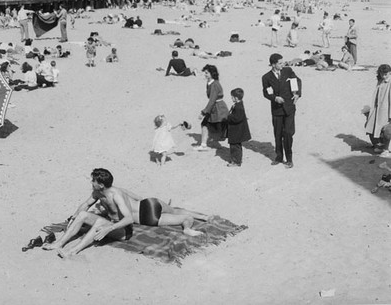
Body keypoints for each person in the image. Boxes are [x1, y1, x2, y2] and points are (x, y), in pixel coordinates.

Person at [33, 168, 208, 257]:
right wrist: (74, 217)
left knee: (102, 223)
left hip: (127, 228)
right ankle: (59, 244)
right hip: (147, 205)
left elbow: (129, 218)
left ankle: (74, 251)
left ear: (101, 184)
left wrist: (109, 229)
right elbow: (84, 205)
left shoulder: (115, 195)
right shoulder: (98, 193)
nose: (91, 182)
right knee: (83, 215)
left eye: (93, 181)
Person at [262, 53, 302, 168]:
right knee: (278, 134)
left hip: (289, 108)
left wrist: (297, 94)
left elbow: (297, 81)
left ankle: (289, 159)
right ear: (273, 65)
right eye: (280, 63)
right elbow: (266, 92)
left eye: (282, 62)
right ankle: (279, 156)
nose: (282, 64)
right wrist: (274, 98)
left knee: (288, 133)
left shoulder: (288, 70)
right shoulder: (266, 77)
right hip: (277, 110)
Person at [194, 64, 229, 151]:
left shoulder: (214, 85)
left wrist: (203, 112)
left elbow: (212, 100)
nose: (205, 75)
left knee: (219, 126)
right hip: (216, 107)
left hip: (218, 108)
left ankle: (204, 145)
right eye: (205, 73)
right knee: (206, 124)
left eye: (207, 73)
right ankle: (204, 144)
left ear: (212, 73)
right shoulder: (211, 83)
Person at [365, 64, 391, 156]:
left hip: (386, 110)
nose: (384, 76)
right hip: (377, 108)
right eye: (382, 74)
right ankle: (379, 146)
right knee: (371, 126)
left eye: (386, 74)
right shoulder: (380, 81)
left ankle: (386, 149)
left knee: (386, 130)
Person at [226, 88, 251, 167]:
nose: (231, 98)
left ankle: (236, 161)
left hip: (236, 130)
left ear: (236, 98)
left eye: (232, 97)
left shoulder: (238, 107)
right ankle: (236, 160)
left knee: (235, 146)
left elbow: (237, 118)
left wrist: (229, 117)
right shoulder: (238, 105)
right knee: (236, 146)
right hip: (237, 130)